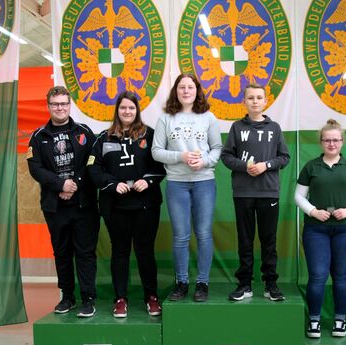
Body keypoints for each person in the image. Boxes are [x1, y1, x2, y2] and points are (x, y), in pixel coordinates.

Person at [88, 91, 166, 318]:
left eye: (131, 108)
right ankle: (120, 298)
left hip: (145, 205)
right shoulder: (104, 138)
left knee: (145, 251)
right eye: (123, 108)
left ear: (137, 111)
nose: (127, 111)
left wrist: (147, 180)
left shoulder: (150, 135)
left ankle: (151, 297)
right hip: (116, 206)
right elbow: (93, 167)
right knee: (120, 252)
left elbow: (161, 165)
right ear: (117, 110)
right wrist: (112, 184)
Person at [27, 86, 99, 318]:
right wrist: (60, 185)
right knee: (62, 253)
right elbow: (35, 168)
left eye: (64, 104)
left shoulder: (84, 131)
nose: (60, 108)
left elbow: (93, 160)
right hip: (55, 206)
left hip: (84, 205)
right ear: (48, 106)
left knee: (85, 253)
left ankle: (88, 298)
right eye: (55, 104)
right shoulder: (38, 136)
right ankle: (67, 296)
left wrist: (74, 183)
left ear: (70, 106)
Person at [295, 120, 346, 338]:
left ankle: (340, 320)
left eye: (336, 140)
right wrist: (313, 212)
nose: (331, 144)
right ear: (320, 142)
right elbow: (298, 196)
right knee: (318, 275)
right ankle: (314, 321)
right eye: (327, 140)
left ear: (342, 141)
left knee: (341, 275)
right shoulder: (311, 167)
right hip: (315, 230)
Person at [152, 73, 222, 302]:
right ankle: (181, 282)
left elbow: (217, 148)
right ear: (176, 91)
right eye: (182, 87)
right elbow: (156, 151)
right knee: (181, 236)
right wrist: (181, 156)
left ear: (197, 90)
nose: (186, 91)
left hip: (204, 181)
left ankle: (202, 283)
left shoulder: (208, 117)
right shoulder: (166, 118)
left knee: (203, 233)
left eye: (190, 87)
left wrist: (204, 161)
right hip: (177, 183)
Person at [221, 83, 290, 302]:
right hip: (243, 192)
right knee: (245, 239)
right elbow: (226, 156)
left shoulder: (274, 128)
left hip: (268, 192)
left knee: (269, 240)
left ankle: (270, 284)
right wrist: (245, 166)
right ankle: (245, 284)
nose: (255, 101)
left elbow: (284, 157)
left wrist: (265, 166)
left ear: (266, 101)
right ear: (244, 101)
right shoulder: (236, 127)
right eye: (250, 98)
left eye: (259, 97)